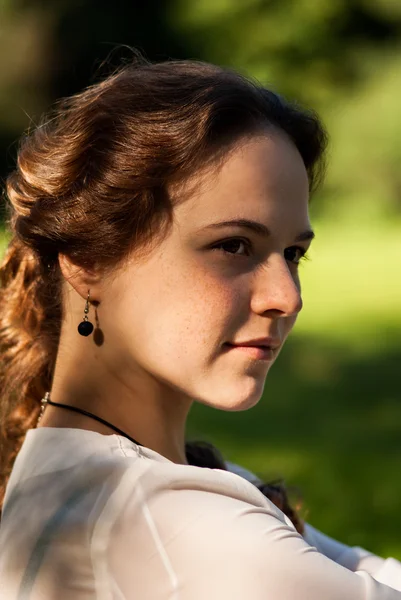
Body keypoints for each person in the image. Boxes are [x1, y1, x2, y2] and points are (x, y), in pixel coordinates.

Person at [0, 54, 400, 599]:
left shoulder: (73, 471)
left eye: (293, 253)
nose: (287, 297)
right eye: (232, 245)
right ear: (88, 259)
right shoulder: (169, 524)